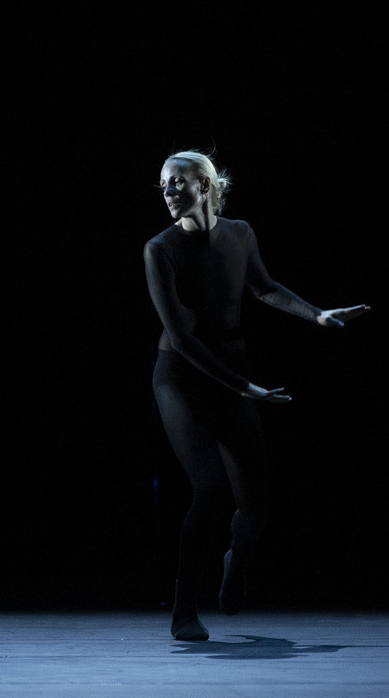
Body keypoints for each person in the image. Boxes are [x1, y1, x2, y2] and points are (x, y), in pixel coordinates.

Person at [144, 151, 368, 641]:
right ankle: (184, 610)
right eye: (162, 184)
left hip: (231, 373)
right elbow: (181, 338)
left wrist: (317, 315)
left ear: (205, 185)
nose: (167, 192)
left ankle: (237, 561)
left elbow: (264, 288)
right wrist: (245, 387)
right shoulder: (160, 249)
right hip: (181, 377)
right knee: (210, 489)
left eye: (177, 182)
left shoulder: (240, 233)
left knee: (256, 504)